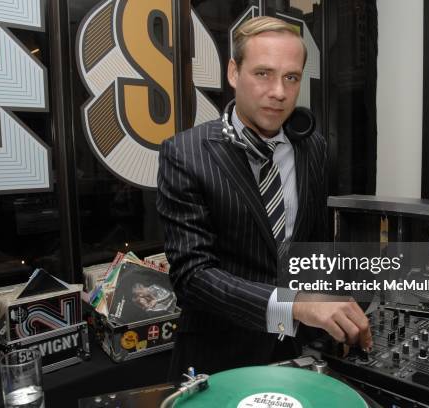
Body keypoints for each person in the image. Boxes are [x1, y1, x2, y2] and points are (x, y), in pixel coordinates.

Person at [156, 16, 372, 379]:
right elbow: (193, 278)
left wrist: (330, 312)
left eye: (291, 77)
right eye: (263, 74)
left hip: (297, 350)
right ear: (233, 72)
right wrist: (295, 305)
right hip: (219, 357)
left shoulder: (311, 147)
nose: (279, 92)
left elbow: (312, 248)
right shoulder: (185, 154)